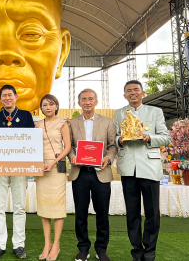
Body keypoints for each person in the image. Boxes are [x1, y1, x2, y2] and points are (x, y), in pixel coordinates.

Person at [114, 80, 171, 261]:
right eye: (129, 91)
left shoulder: (156, 112)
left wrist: (149, 138)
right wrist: (119, 140)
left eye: (136, 90)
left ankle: (150, 251)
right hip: (128, 168)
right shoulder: (118, 113)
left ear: (142, 93)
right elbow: (114, 136)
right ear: (125, 95)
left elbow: (166, 137)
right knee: (132, 213)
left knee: (152, 213)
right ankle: (137, 251)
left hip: (150, 167)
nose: (133, 93)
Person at [68, 89, 117, 261]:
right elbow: (70, 146)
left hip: (101, 173)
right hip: (80, 173)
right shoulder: (72, 123)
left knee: (102, 213)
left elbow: (112, 145)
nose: (87, 102)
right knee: (80, 213)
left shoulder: (108, 122)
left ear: (96, 101)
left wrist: (108, 158)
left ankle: (101, 249)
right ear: (79, 103)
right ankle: (83, 248)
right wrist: (72, 156)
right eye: (84, 99)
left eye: (90, 99)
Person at [0, 85, 35, 260]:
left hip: (20, 167)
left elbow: (31, 141)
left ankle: (19, 245)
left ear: (16, 96)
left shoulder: (26, 116)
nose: (7, 98)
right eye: (4, 96)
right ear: (0, 99)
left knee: (19, 207)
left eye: (10, 95)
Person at [34, 94, 71, 261]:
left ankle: (56, 244)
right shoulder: (36, 124)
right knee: (44, 208)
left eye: (51, 104)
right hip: (41, 168)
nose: (48, 107)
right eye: (44, 105)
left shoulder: (63, 123)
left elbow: (68, 147)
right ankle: (47, 243)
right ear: (41, 107)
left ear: (56, 106)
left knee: (57, 207)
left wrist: (54, 162)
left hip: (56, 168)